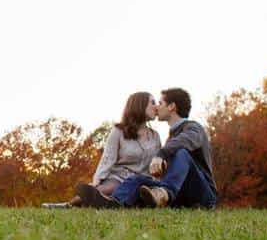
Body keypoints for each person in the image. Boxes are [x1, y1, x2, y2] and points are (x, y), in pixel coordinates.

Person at [77, 87, 216, 209]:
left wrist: (161, 154)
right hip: (180, 196)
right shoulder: (170, 138)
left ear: (171, 107)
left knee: (181, 152)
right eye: (154, 103)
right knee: (136, 179)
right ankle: (114, 203)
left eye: (160, 103)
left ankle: (164, 193)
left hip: (202, 196)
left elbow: (186, 141)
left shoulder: (194, 128)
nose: (157, 107)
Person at [45, 92, 160, 208]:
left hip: (142, 181)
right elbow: (108, 158)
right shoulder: (119, 131)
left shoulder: (155, 136)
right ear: (139, 105)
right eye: (153, 103)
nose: (157, 107)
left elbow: (157, 164)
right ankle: (69, 205)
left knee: (135, 190)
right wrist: (97, 181)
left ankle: (110, 202)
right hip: (119, 177)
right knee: (107, 188)